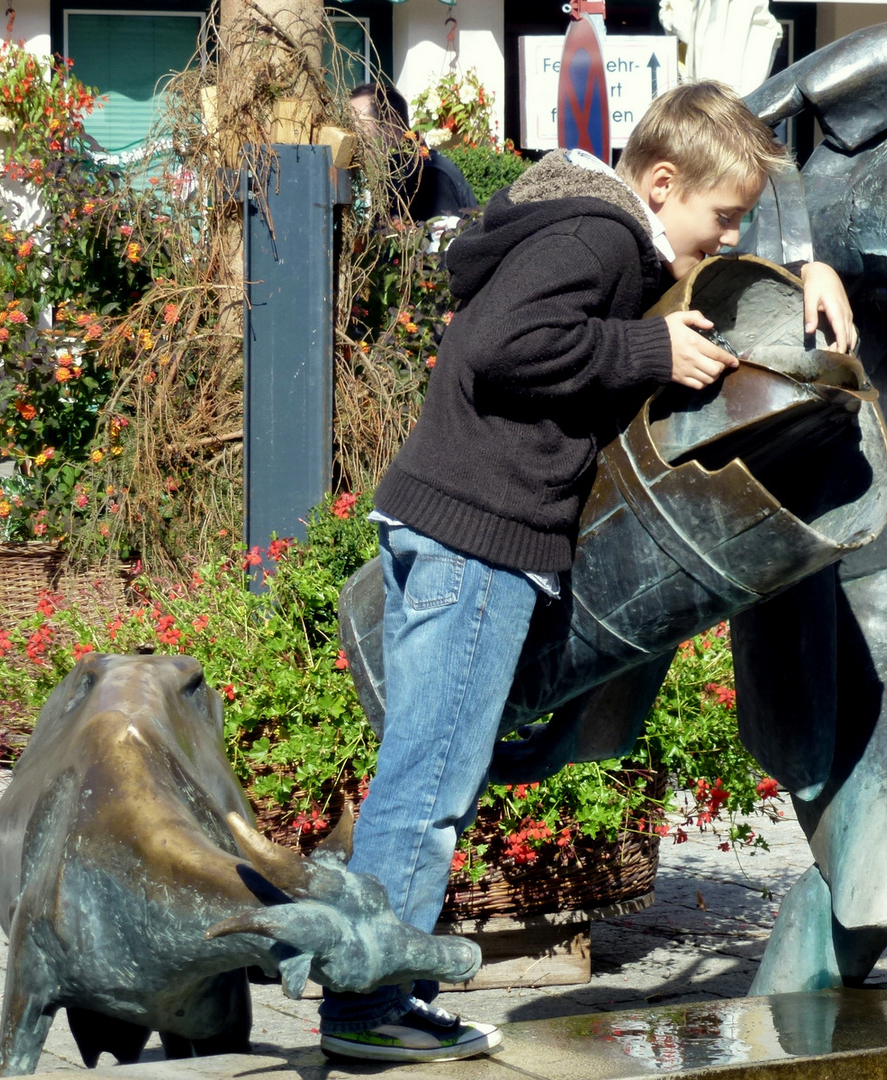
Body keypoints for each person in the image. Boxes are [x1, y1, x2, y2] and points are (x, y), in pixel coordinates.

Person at [318, 80, 856, 1064]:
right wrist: (647, 346)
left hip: (449, 520)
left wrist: (808, 266)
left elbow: (655, 289)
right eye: (719, 218)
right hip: (481, 535)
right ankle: (365, 1010)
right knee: (432, 784)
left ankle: (377, 991)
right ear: (660, 184)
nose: (723, 237)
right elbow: (500, 347)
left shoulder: (599, 229)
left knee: (427, 774)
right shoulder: (599, 242)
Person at [350, 81, 479, 223]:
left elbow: (440, 242)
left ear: (390, 130)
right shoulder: (396, 174)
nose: (349, 137)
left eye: (356, 129)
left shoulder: (428, 178)